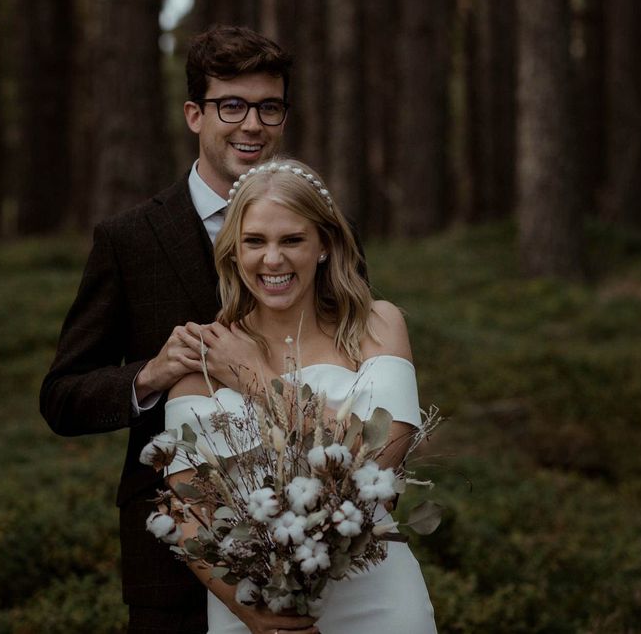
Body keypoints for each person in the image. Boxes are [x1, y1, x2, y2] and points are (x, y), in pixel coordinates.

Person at [40, 26, 312, 633]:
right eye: (231, 106)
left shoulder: (318, 231)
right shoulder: (129, 239)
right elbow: (61, 396)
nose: (252, 124)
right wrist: (151, 375)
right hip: (173, 556)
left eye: (269, 107)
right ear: (195, 114)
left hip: (313, 537)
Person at [165, 159, 438, 633]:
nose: (273, 260)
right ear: (232, 251)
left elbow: (375, 464)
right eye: (255, 242)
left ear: (325, 245)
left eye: (292, 240)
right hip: (254, 607)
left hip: (378, 598)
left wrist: (253, 376)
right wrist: (255, 613)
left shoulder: (377, 327)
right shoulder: (200, 359)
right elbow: (188, 512)